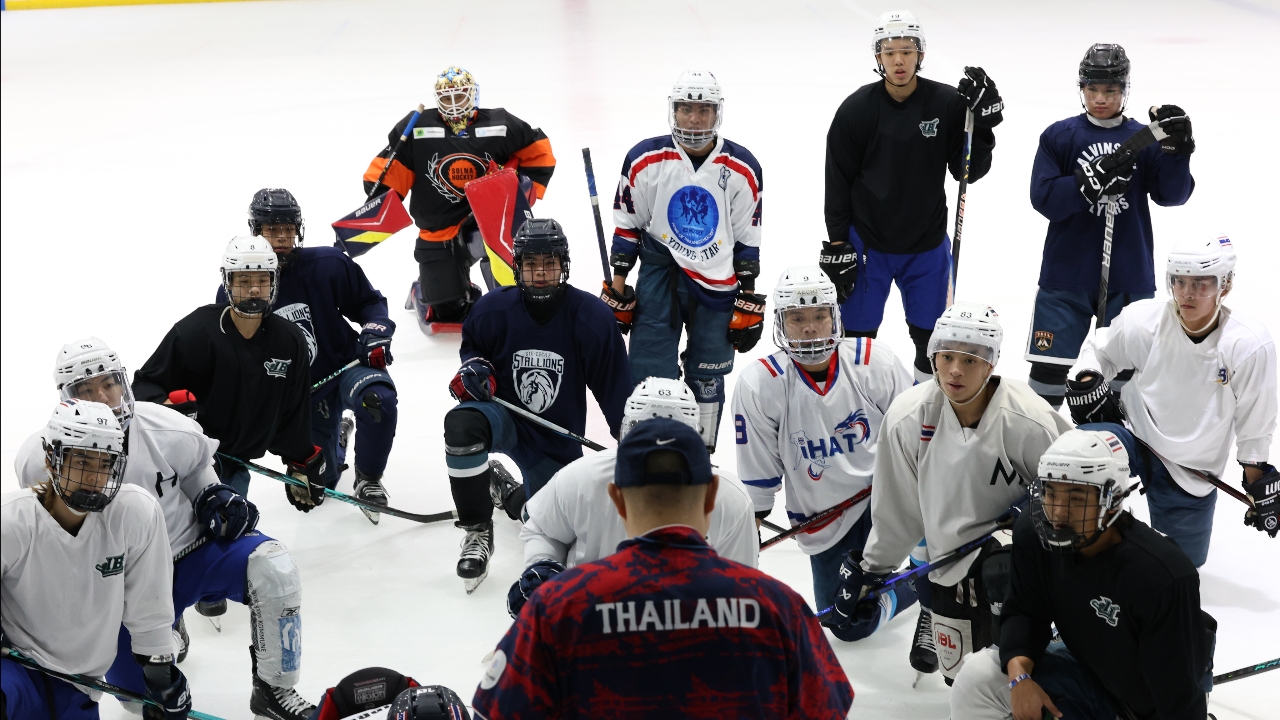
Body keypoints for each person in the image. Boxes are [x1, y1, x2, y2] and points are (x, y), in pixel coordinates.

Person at [14, 338, 315, 720]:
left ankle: (275, 690)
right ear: (65, 399)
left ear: (124, 382)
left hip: (186, 553)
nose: (103, 398)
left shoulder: (170, 428)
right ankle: (166, 628)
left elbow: (197, 473)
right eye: (86, 391)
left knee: (274, 566)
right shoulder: (38, 460)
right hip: (117, 585)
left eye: (108, 384)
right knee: (137, 700)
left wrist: (215, 496)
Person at [472, 418, 854, 719]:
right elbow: (826, 708)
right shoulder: (779, 609)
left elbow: (501, 710)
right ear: (709, 498)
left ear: (618, 501)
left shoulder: (558, 608)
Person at [827, 302, 1071, 684]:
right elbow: (899, 513)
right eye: (947, 357)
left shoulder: (1029, 420)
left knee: (1024, 671)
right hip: (947, 566)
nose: (955, 370)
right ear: (933, 357)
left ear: (991, 365)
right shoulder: (908, 417)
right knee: (960, 679)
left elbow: (1075, 495)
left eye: (970, 360)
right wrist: (870, 572)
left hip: (1016, 568)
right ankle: (927, 609)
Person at [950, 428, 1215, 720]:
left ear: (1112, 499)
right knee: (977, 676)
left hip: (1145, 705)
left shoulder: (1162, 575)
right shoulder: (1034, 533)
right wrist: (1019, 679)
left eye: (1076, 497)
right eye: (1050, 493)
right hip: (1087, 671)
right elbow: (1026, 612)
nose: (1059, 513)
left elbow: (1179, 700)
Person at [443, 218, 631, 592]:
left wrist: (634, 441)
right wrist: (473, 368)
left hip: (553, 436)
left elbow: (616, 391)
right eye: (531, 264)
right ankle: (478, 531)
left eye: (549, 263)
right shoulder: (492, 309)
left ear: (564, 264)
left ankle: (505, 489)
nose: (541, 272)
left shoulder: (591, 317)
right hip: (503, 415)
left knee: (545, 523)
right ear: (517, 266)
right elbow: (473, 349)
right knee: (461, 426)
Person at [1066, 235, 1277, 565]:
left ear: (1226, 285)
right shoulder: (1142, 322)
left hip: (1192, 467)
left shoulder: (1248, 344)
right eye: (1179, 281)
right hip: (1132, 436)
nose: (1187, 293)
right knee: (1076, 466)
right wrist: (1087, 379)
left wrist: (1257, 475)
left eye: (1201, 283)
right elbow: (1099, 351)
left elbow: (1254, 418)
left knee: (1179, 566)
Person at [732, 266, 918, 642]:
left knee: (947, 541)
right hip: (828, 515)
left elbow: (920, 440)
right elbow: (759, 473)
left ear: (834, 316)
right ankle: (911, 585)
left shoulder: (874, 362)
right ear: (780, 323)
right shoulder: (760, 384)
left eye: (819, 316)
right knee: (846, 621)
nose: (810, 328)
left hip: (889, 495)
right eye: (797, 318)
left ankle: (926, 572)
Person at [822, 10, 1003, 383]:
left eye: (907, 50)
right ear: (878, 58)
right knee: (856, 342)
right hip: (867, 243)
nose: (899, 60)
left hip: (926, 245)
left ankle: (923, 411)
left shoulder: (948, 104)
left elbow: (967, 171)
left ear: (920, 54)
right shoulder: (857, 109)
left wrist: (981, 127)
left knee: (933, 342)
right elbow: (837, 178)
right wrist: (839, 240)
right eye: (889, 52)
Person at [1024, 43, 1196, 408]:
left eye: (1111, 90)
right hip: (1064, 277)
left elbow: (1172, 195)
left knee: (1125, 382)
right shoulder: (1059, 136)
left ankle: (1116, 454)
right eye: (1093, 89)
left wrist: (1178, 152)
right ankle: (1035, 451)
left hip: (1127, 277)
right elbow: (1043, 199)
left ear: (1124, 90)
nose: (1100, 98)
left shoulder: (1146, 139)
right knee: (1048, 378)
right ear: (1081, 88)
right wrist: (1085, 183)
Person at [602, 69, 764, 451]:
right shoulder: (644, 159)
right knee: (648, 371)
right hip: (659, 274)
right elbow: (627, 225)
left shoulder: (742, 167)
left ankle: (699, 454)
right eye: (686, 109)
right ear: (673, 112)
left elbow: (747, 238)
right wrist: (620, 286)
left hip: (717, 284)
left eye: (704, 109)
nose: (695, 118)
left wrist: (748, 296)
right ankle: (645, 448)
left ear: (717, 113)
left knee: (708, 375)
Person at [218, 188, 399, 522]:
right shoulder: (241, 286)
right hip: (301, 396)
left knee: (378, 399)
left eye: (288, 228)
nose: (283, 238)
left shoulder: (328, 264)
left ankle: (369, 479)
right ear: (256, 230)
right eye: (273, 230)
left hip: (346, 366)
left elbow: (369, 303)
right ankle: (338, 436)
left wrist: (375, 331)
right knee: (323, 483)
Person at [509, 377, 759, 618]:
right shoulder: (582, 478)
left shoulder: (731, 500)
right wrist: (542, 564)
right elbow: (544, 530)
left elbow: (739, 589)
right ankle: (509, 493)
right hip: (592, 615)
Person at [2, 400, 190, 720]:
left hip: (81, 684)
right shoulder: (12, 521)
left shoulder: (134, 514)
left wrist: (159, 672)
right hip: (17, 670)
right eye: (83, 462)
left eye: (105, 465)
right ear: (51, 458)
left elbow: (149, 603)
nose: (94, 477)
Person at [133, 237, 325, 511]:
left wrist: (301, 462)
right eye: (243, 281)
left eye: (262, 280)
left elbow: (293, 412)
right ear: (228, 282)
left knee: (225, 529)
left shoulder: (290, 341)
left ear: (274, 282)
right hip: (183, 463)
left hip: (234, 465)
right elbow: (142, 387)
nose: (254, 290)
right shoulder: (194, 333)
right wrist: (167, 406)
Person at [363, 66, 556, 326]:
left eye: (460, 96)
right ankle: (441, 288)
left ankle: (505, 303)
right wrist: (380, 190)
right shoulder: (417, 127)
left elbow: (538, 152)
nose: (454, 104)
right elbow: (392, 172)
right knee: (448, 313)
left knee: (505, 273)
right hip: (438, 231)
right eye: (446, 98)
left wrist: (522, 189)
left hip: (486, 223)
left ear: (473, 94)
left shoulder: (499, 124)